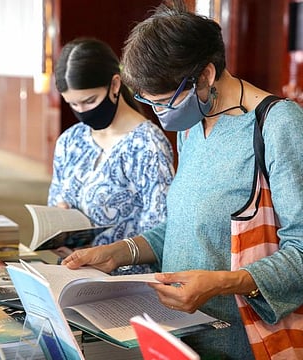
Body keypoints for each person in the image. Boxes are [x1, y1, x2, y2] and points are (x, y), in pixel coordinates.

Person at [62, 1, 303, 359]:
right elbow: (182, 227)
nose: (160, 115)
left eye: (165, 101)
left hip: (243, 341)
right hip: (179, 336)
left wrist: (223, 283)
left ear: (205, 75)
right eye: (149, 102)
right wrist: (120, 252)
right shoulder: (193, 122)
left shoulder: (278, 125)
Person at [49, 38, 174, 274]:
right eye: (73, 105)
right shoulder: (70, 140)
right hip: (73, 273)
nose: (82, 113)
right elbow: (55, 198)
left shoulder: (147, 145)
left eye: (89, 101)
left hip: (124, 283)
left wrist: (114, 256)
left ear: (115, 85)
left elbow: (159, 231)